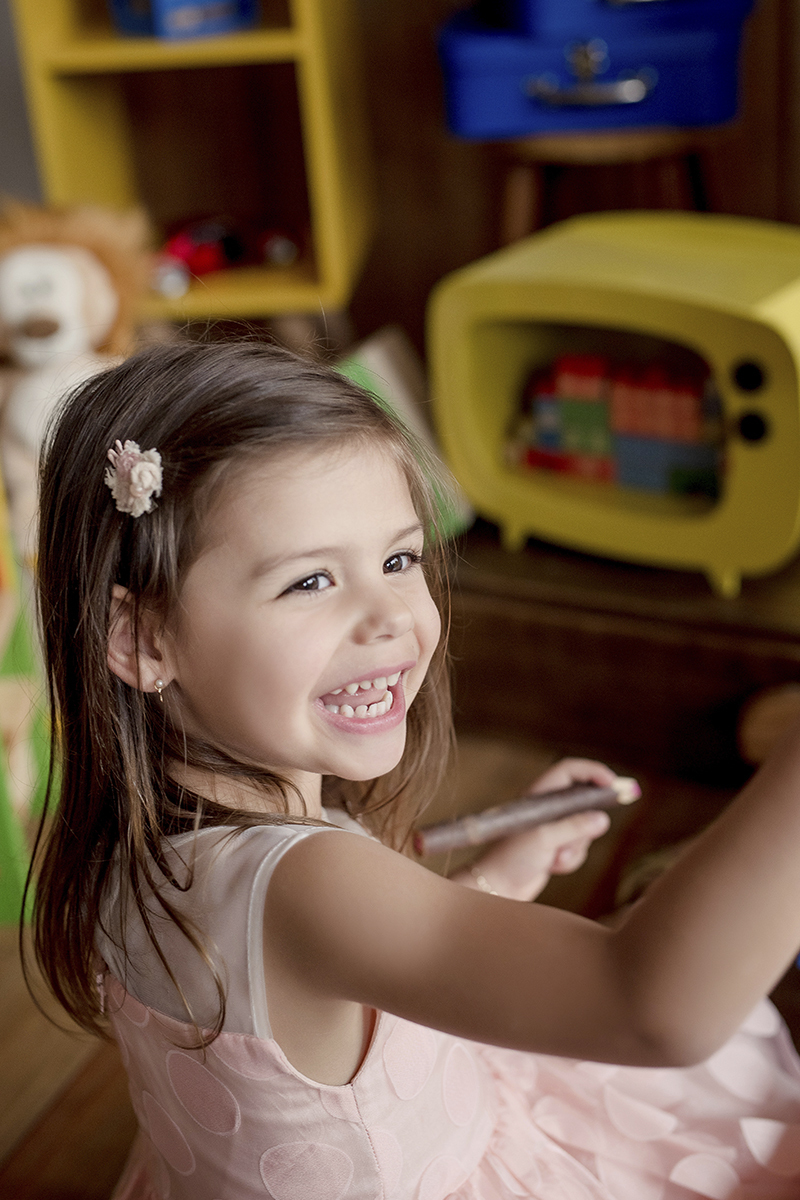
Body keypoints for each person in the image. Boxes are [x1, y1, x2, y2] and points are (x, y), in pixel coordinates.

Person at [28, 340, 800, 1200]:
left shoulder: (134, 829)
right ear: (141, 637)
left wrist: (491, 884)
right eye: (311, 581)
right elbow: (653, 1008)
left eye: (398, 560)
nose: (389, 616)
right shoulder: (309, 884)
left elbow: (329, 992)